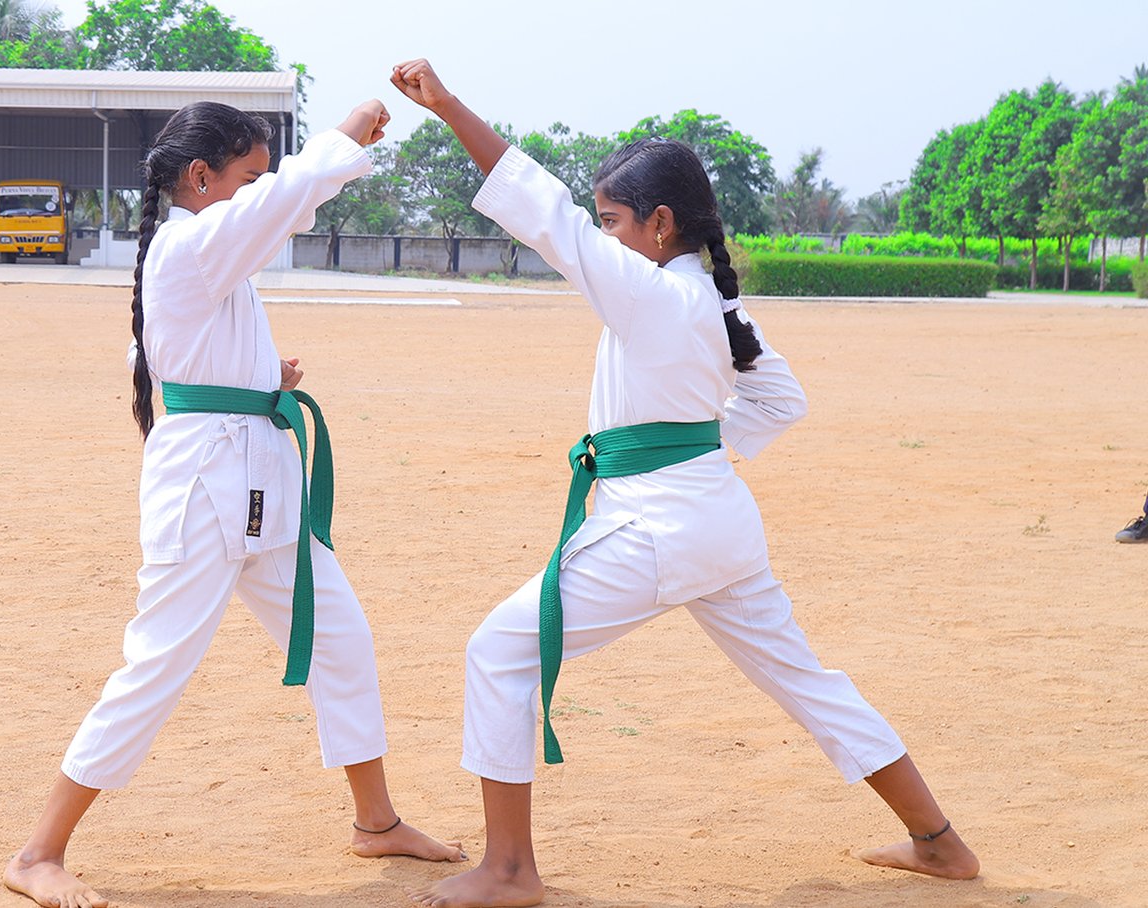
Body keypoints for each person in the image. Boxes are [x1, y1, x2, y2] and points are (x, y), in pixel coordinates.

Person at [386, 60, 980, 908]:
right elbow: (780, 399)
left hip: (659, 528)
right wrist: (696, 453)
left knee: (500, 651)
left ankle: (510, 871)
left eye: (613, 222)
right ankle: (941, 844)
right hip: (716, 526)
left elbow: (544, 211)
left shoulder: (648, 292)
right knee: (807, 681)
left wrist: (448, 108)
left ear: (660, 224)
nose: (604, 236)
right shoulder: (717, 304)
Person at [4, 99, 464, 908]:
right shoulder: (192, 243)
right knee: (157, 663)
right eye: (249, 177)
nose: (259, 191)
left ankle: (377, 822)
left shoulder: (199, 250)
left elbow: (177, 355)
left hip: (257, 481)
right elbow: (284, 202)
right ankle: (38, 854)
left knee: (339, 638)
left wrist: (261, 376)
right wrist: (346, 133)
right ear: (200, 176)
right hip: (205, 490)